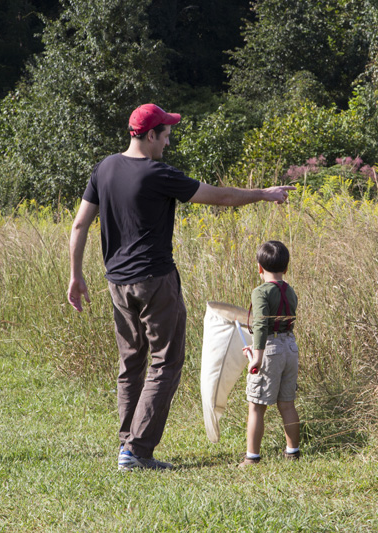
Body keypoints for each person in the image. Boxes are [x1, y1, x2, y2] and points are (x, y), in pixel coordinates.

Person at [66, 103, 295, 471]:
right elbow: (220, 197)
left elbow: (79, 226)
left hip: (117, 283)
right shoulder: (158, 173)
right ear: (150, 134)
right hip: (155, 281)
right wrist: (265, 193)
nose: (168, 142)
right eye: (166, 134)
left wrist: (75, 274)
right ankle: (137, 451)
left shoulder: (104, 168)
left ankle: (128, 444)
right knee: (166, 362)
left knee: (131, 363)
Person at [240, 240, 300, 467]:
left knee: (256, 406)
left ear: (259, 268)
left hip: (270, 349)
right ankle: (293, 452)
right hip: (290, 347)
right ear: (286, 268)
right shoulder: (290, 290)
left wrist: (256, 357)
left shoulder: (260, 292)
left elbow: (262, 324)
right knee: (287, 403)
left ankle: (252, 457)